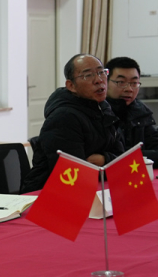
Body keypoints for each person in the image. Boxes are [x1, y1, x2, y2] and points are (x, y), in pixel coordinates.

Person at [21, 54, 125, 193]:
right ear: (71, 86)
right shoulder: (63, 117)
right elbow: (74, 174)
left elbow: (122, 157)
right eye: (88, 75)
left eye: (101, 72)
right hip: (49, 194)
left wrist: (104, 159)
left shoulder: (104, 108)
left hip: (97, 186)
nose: (99, 80)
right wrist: (110, 163)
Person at [105, 56, 158, 168]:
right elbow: (117, 155)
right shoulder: (101, 112)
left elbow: (154, 142)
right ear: (105, 82)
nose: (129, 89)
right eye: (121, 82)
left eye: (134, 83)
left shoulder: (140, 109)